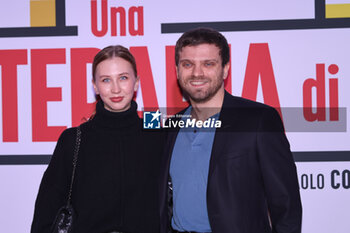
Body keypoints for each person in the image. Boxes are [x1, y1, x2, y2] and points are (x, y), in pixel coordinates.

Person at [159, 28, 302, 233]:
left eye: (208, 64)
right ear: (177, 70)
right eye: (188, 64)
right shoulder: (170, 126)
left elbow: (286, 204)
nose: (197, 73)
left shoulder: (260, 120)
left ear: (225, 69)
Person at [31, 45, 162, 233]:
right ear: (95, 86)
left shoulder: (157, 133)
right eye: (106, 80)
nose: (116, 89)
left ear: (136, 82)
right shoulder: (73, 139)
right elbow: (46, 213)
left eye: (123, 78)